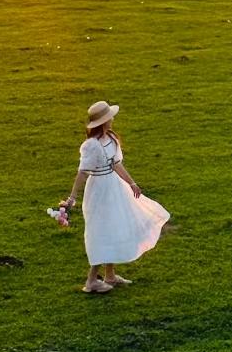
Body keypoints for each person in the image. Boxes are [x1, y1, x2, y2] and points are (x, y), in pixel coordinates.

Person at [66, 100, 170, 293]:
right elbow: (82, 172)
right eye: (109, 118)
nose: (112, 119)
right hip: (99, 191)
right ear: (103, 122)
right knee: (102, 231)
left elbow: (116, 164)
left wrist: (132, 183)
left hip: (114, 187)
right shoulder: (91, 146)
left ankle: (110, 275)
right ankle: (91, 281)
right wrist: (72, 197)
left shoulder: (111, 139)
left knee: (113, 227)